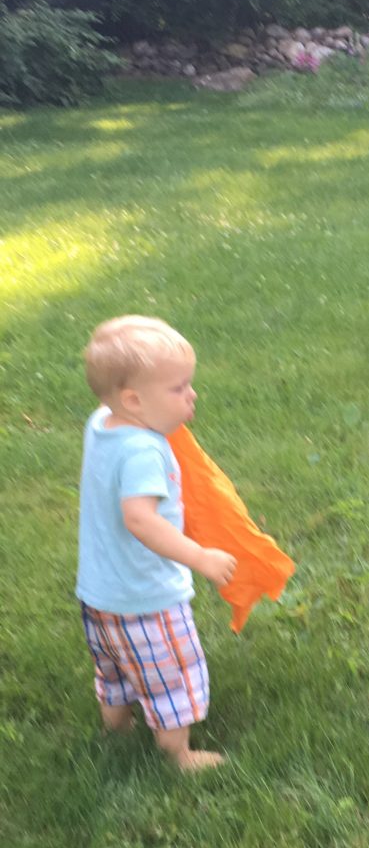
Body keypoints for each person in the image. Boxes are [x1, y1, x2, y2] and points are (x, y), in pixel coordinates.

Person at [77, 315, 237, 771]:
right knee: (172, 678)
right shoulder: (144, 451)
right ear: (134, 400)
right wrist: (199, 556)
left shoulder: (101, 423)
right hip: (147, 600)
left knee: (114, 670)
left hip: (98, 594)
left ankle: (117, 728)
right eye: (179, 388)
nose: (192, 395)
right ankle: (177, 755)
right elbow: (141, 521)